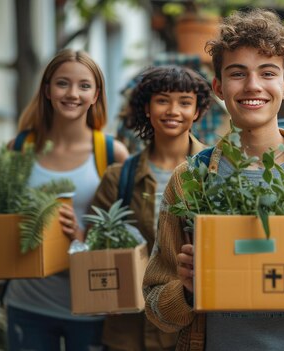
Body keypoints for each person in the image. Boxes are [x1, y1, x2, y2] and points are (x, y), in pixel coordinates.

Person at [143, 8, 284, 351]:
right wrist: (187, 290)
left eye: (267, 73)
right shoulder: (190, 178)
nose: (253, 86)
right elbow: (156, 306)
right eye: (238, 74)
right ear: (219, 87)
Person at [4, 49, 129, 350]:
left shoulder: (112, 154)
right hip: (28, 303)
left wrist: (84, 237)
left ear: (96, 94)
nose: (73, 93)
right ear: (47, 90)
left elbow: (128, 233)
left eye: (84, 85)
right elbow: (1, 218)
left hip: (92, 304)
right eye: (62, 83)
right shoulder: (19, 149)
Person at [90, 65, 211, 351]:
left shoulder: (218, 171)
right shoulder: (120, 177)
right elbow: (98, 243)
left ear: (196, 112)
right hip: (130, 327)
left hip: (195, 323)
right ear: (147, 107)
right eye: (162, 100)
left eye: (184, 102)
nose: (173, 110)